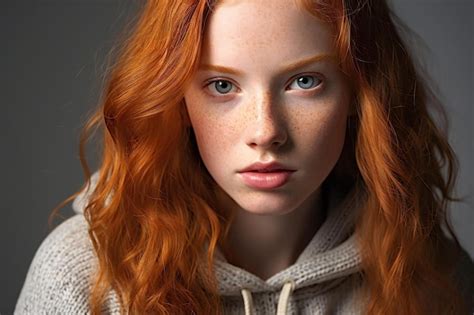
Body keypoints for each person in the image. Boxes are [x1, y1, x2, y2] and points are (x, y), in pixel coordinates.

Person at [15, 0, 473, 314]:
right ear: (177, 101)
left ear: (358, 94)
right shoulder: (86, 272)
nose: (265, 132)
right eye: (222, 86)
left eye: (305, 81)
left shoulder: (428, 270)